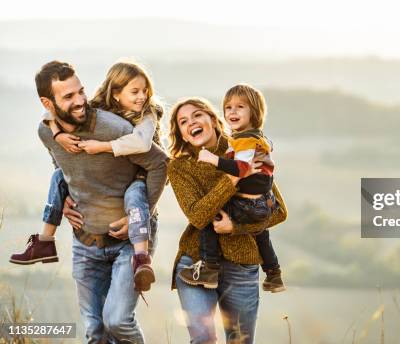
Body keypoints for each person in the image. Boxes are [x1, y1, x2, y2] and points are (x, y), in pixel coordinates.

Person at [26, 61, 167, 343]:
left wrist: (141, 216)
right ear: (48, 103)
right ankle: (43, 241)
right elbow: (62, 165)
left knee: (118, 322)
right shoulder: (47, 131)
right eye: (68, 97)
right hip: (85, 244)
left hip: (129, 241)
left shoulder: (118, 127)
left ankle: (142, 256)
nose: (79, 101)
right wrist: (66, 197)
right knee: (95, 331)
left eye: (81, 92)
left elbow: (160, 162)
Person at [167, 97, 288, 344]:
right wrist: (233, 178)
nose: (191, 123)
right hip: (196, 263)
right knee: (203, 339)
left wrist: (236, 227)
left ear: (212, 119)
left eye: (197, 115)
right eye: (183, 121)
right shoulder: (180, 167)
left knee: (240, 340)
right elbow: (198, 215)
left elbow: (278, 211)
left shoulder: (245, 147)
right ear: (181, 133)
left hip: (242, 265)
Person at [182, 84, 285, 292]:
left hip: (247, 203)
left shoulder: (246, 140)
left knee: (210, 216)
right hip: (263, 204)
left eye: (240, 107)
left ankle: (209, 268)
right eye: (228, 107)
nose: (233, 111)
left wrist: (214, 159)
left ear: (254, 113)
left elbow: (242, 168)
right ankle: (274, 274)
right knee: (262, 234)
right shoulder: (253, 138)